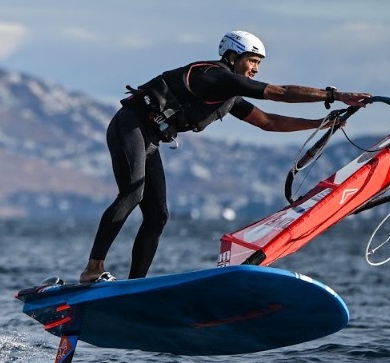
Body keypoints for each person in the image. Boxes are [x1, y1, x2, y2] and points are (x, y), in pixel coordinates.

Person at [80, 30, 371, 283]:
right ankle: (93, 268)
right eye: (252, 61)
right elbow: (279, 92)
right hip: (129, 125)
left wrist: (319, 124)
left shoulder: (228, 95)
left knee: (158, 215)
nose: (255, 69)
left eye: (258, 63)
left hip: (151, 138)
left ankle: (133, 288)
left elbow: (267, 122)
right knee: (133, 192)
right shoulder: (214, 76)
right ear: (232, 57)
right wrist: (337, 94)